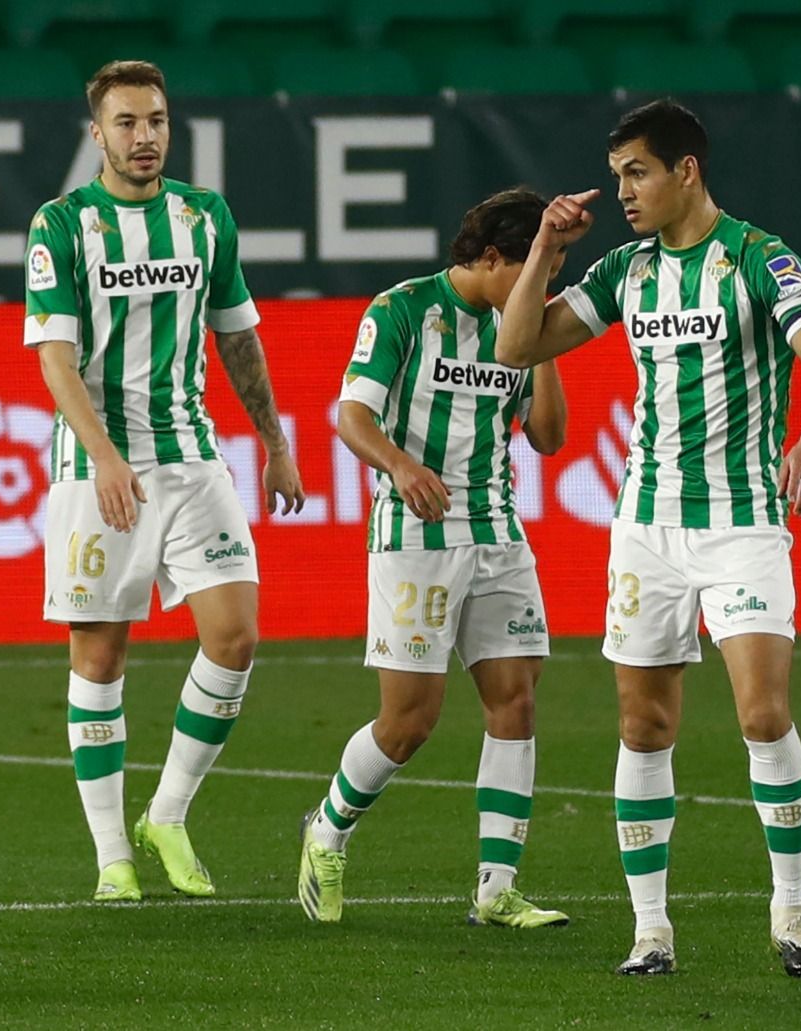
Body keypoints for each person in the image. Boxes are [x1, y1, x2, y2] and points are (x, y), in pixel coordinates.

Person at [495, 99, 801, 977]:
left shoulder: (756, 258)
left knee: (763, 713)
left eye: (637, 172)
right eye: (617, 173)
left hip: (741, 522)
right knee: (643, 724)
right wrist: (548, 248)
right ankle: (651, 932)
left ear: (685, 171)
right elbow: (515, 345)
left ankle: (792, 915)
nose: (623, 190)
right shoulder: (627, 270)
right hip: (647, 528)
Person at [24, 60, 307, 902]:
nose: (143, 136)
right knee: (101, 652)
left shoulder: (204, 217)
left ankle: (169, 812)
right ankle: (113, 852)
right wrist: (106, 454)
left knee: (236, 633)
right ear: (96, 133)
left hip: (190, 454)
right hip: (96, 465)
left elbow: (239, 339)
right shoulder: (63, 224)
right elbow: (55, 357)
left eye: (156, 121)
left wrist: (275, 440)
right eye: (126, 122)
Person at [295, 189, 571, 929]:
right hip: (418, 537)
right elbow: (351, 414)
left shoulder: (525, 324)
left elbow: (548, 437)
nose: (543, 282)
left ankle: (497, 886)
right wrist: (399, 466)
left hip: (499, 532)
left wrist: (542, 340)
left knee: (515, 701)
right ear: (488, 258)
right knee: (409, 722)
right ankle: (327, 826)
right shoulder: (404, 311)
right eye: (532, 266)